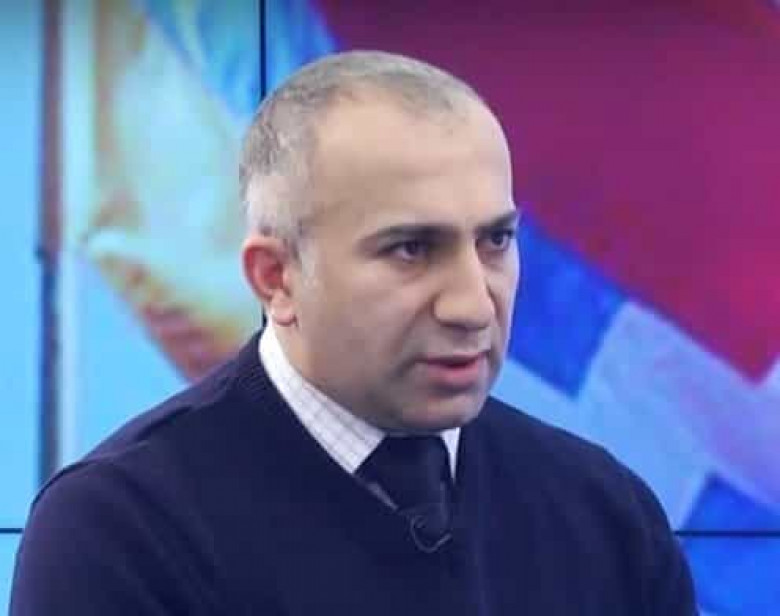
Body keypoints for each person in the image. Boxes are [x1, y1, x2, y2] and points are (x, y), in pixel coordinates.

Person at [10, 50, 696, 615]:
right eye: (411, 249)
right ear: (275, 277)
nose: (472, 305)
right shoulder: (121, 531)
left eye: (495, 241)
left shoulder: (606, 514)